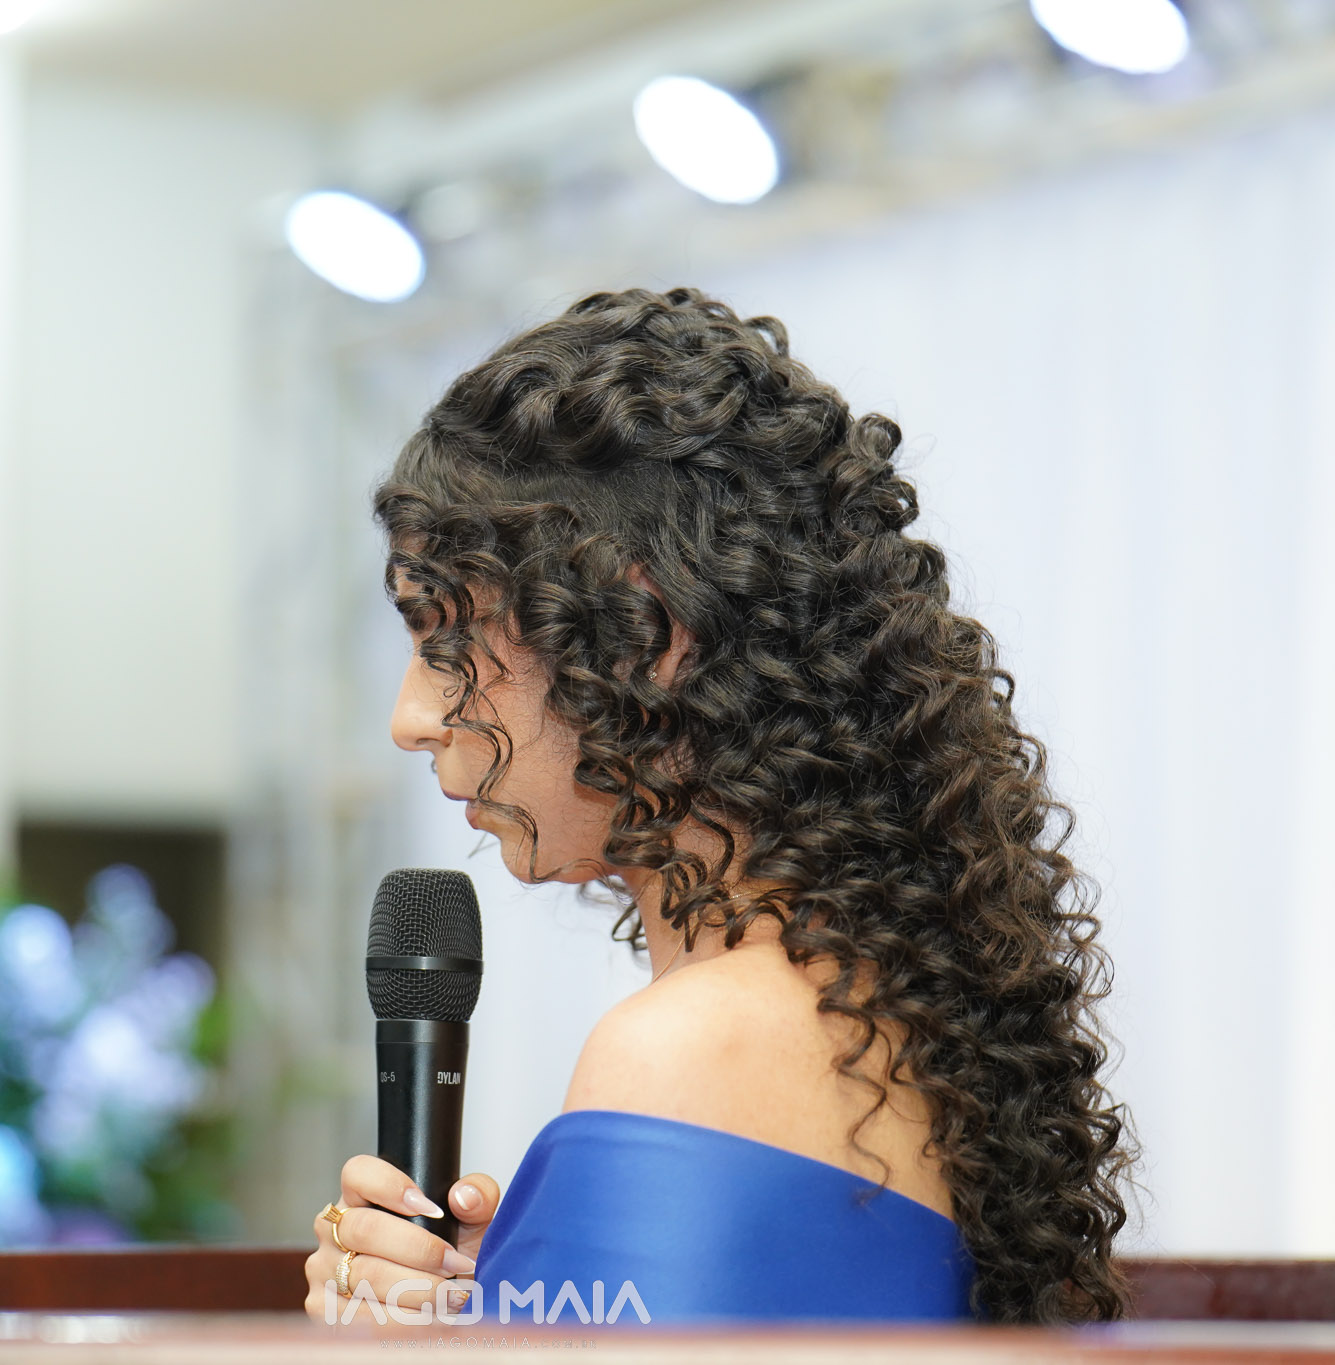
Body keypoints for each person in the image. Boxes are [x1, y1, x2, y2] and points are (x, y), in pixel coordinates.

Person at [302, 287, 1132, 1328]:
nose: (412, 718)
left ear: (641, 633)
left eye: (442, 638)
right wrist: (501, 1293)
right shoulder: (871, 1010)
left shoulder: (693, 1046)